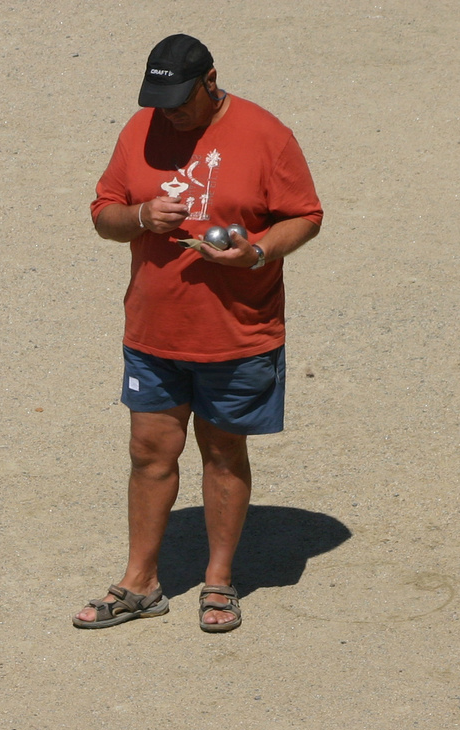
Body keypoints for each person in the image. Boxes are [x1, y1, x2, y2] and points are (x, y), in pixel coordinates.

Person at [73, 34, 322, 634]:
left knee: (223, 452)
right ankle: (140, 582)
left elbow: (306, 215)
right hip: (154, 332)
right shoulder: (140, 130)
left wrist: (256, 252)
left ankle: (218, 580)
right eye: (160, 101)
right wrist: (137, 217)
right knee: (149, 454)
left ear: (211, 81)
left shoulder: (266, 134)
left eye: (181, 100)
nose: (170, 112)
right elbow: (103, 210)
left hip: (236, 335)